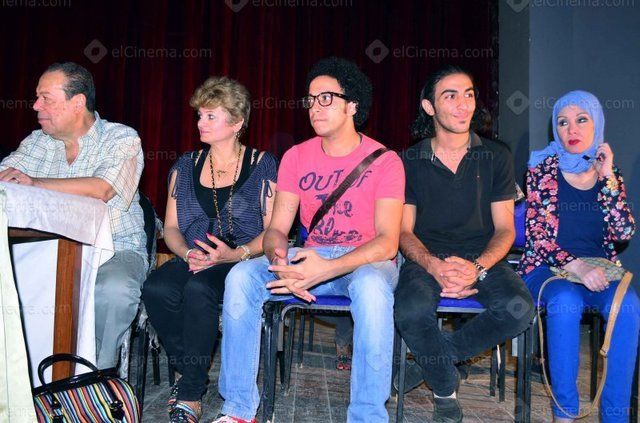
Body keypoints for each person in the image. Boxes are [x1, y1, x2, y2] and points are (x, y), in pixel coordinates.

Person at [213, 57, 405, 423]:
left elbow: (387, 243)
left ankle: (367, 416)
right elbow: (277, 230)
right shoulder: (296, 156)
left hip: (364, 261)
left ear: (353, 105)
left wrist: (327, 268)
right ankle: (238, 409)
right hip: (309, 256)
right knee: (241, 276)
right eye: (311, 99)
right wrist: (280, 261)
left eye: (326, 98)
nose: (315, 107)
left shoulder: (385, 160)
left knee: (372, 288)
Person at [394, 65, 535, 423]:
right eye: (451, 96)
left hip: (481, 257)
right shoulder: (409, 160)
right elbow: (404, 232)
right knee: (410, 311)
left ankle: (433, 361)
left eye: (469, 94)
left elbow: (505, 230)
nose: (463, 104)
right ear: (429, 107)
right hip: (426, 257)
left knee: (519, 309)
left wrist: (477, 267)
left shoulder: (497, 155)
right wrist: (433, 265)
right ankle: (445, 387)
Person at [141, 76, 277, 422]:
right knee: (157, 288)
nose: (200, 122)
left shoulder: (262, 164)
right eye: (200, 115)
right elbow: (171, 227)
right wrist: (187, 254)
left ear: (237, 123)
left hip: (242, 259)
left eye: (211, 116)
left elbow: (274, 231)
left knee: (199, 289)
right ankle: (191, 369)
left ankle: (189, 393)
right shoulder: (185, 166)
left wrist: (235, 253)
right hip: (195, 256)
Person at [0, 62, 147, 370]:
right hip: (44, 254)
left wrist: (35, 183)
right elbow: (5, 180)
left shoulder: (121, 138)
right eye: (37, 97)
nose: (35, 106)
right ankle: (25, 377)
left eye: (46, 98)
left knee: (114, 291)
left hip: (115, 250)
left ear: (77, 102)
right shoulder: (37, 142)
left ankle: (96, 378)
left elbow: (101, 189)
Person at [518, 90, 638, 423]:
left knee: (629, 306)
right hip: (548, 268)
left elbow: (624, 232)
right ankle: (565, 413)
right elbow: (538, 237)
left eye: (582, 120)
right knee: (565, 301)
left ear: (597, 123)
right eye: (563, 122)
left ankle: (615, 416)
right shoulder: (541, 169)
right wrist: (578, 267)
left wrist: (608, 177)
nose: (571, 129)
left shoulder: (609, 174)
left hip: (599, 270)